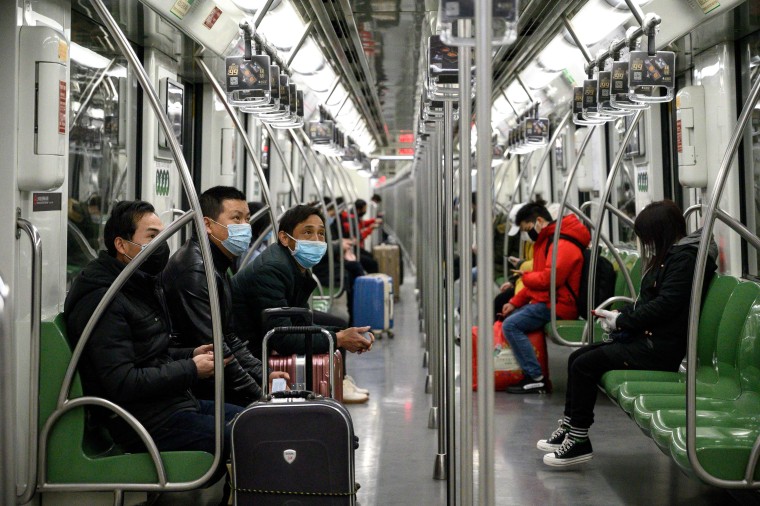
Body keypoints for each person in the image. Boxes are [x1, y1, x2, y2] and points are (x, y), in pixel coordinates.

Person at [64, 201, 243, 494]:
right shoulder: (104, 300)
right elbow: (122, 381)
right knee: (248, 435)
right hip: (140, 422)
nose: (161, 245)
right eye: (151, 236)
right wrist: (190, 370)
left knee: (254, 419)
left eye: (162, 236)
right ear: (122, 244)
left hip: (169, 405)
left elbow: (147, 354)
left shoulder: (137, 285)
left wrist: (190, 355)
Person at [538, 200, 718, 467]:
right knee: (577, 358)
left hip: (659, 349)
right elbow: (652, 303)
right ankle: (571, 428)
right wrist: (620, 315)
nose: (646, 244)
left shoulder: (683, 261)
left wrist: (623, 321)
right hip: (649, 338)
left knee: (585, 365)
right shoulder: (671, 258)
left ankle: (579, 440)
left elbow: (665, 306)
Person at [231, 204, 375, 403]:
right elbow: (282, 339)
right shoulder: (272, 269)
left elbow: (299, 322)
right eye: (308, 233)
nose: (316, 240)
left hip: (263, 337)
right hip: (248, 351)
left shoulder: (296, 263)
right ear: (284, 237)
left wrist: (345, 333)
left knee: (339, 327)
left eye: (321, 234)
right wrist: (339, 338)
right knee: (336, 335)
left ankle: (338, 383)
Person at [162, 187, 288, 407]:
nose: (245, 227)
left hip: (213, 375)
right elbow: (216, 349)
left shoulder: (216, 263)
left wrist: (264, 374)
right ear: (208, 225)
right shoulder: (196, 271)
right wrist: (260, 396)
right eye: (236, 219)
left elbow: (229, 337)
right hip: (196, 383)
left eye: (247, 219)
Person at [501, 199, 591, 394]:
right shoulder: (547, 242)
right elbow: (539, 280)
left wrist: (525, 277)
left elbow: (550, 279)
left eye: (528, 228)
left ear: (540, 221)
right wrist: (514, 302)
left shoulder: (562, 243)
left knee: (511, 325)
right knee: (510, 316)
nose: (528, 234)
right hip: (548, 300)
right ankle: (531, 373)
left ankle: (535, 377)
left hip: (560, 305)